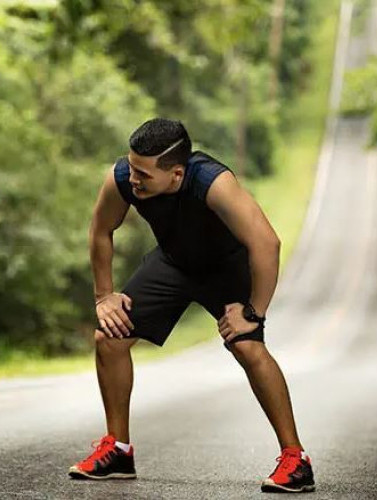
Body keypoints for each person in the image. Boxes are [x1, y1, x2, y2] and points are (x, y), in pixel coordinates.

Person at [68, 118, 315, 493]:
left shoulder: (213, 184)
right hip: (173, 263)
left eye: (143, 174)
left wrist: (253, 314)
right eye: (131, 167)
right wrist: (104, 296)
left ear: (177, 174)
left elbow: (267, 243)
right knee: (110, 336)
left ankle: (296, 460)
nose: (132, 179)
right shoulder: (122, 178)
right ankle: (118, 449)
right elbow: (101, 229)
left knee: (247, 346)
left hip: (225, 268)